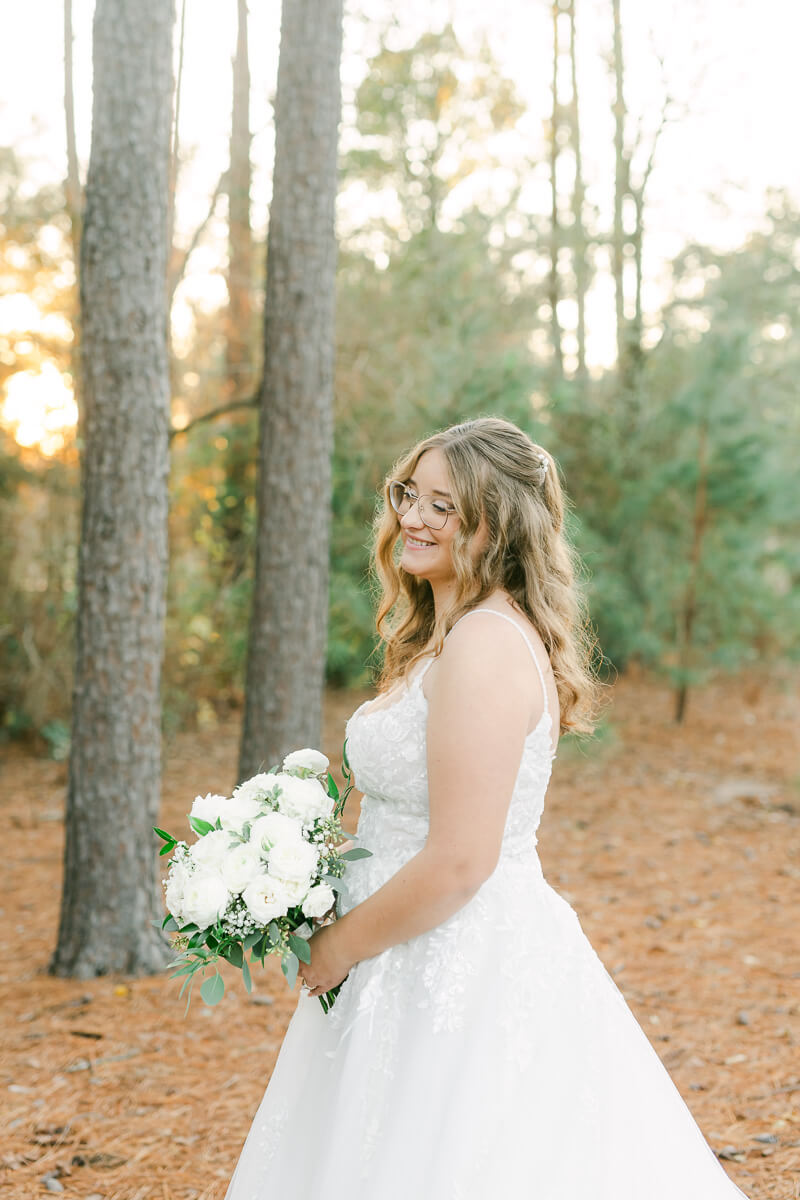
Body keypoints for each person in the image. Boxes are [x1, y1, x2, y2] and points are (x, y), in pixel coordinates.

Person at [224, 417, 750, 1199]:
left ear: (496, 524)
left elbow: (462, 860)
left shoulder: (484, 642)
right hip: (397, 948)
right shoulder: (447, 636)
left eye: (445, 505)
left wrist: (337, 947)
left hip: (452, 958)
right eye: (410, 495)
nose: (413, 517)